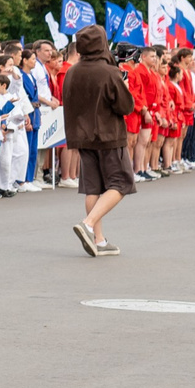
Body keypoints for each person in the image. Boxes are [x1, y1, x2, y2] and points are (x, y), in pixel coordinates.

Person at [61, 25, 134, 256]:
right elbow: (125, 106)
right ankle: (88, 224)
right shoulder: (109, 72)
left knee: (93, 187)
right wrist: (125, 87)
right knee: (121, 182)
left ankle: (99, 240)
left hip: (82, 135)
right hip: (108, 134)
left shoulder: (72, 71)